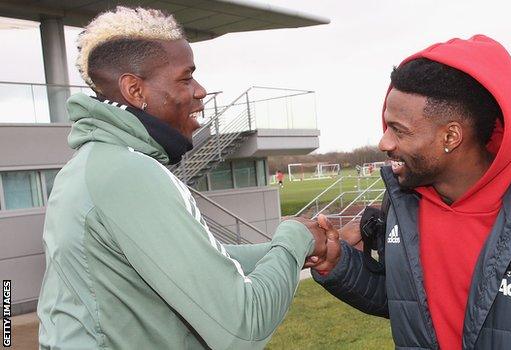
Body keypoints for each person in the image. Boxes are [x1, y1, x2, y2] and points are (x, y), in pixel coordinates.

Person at [37, 7, 335, 350]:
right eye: (185, 78)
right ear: (135, 91)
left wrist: (309, 244)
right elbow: (243, 327)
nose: (201, 91)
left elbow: (206, 261)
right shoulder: (128, 174)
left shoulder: (93, 164)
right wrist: (293, 236)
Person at [310, 35, 511, 349]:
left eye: (398, 130)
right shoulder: (402, 209)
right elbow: (408, 301)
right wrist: (337, 263)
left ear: (451, 136)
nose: (384, 143)